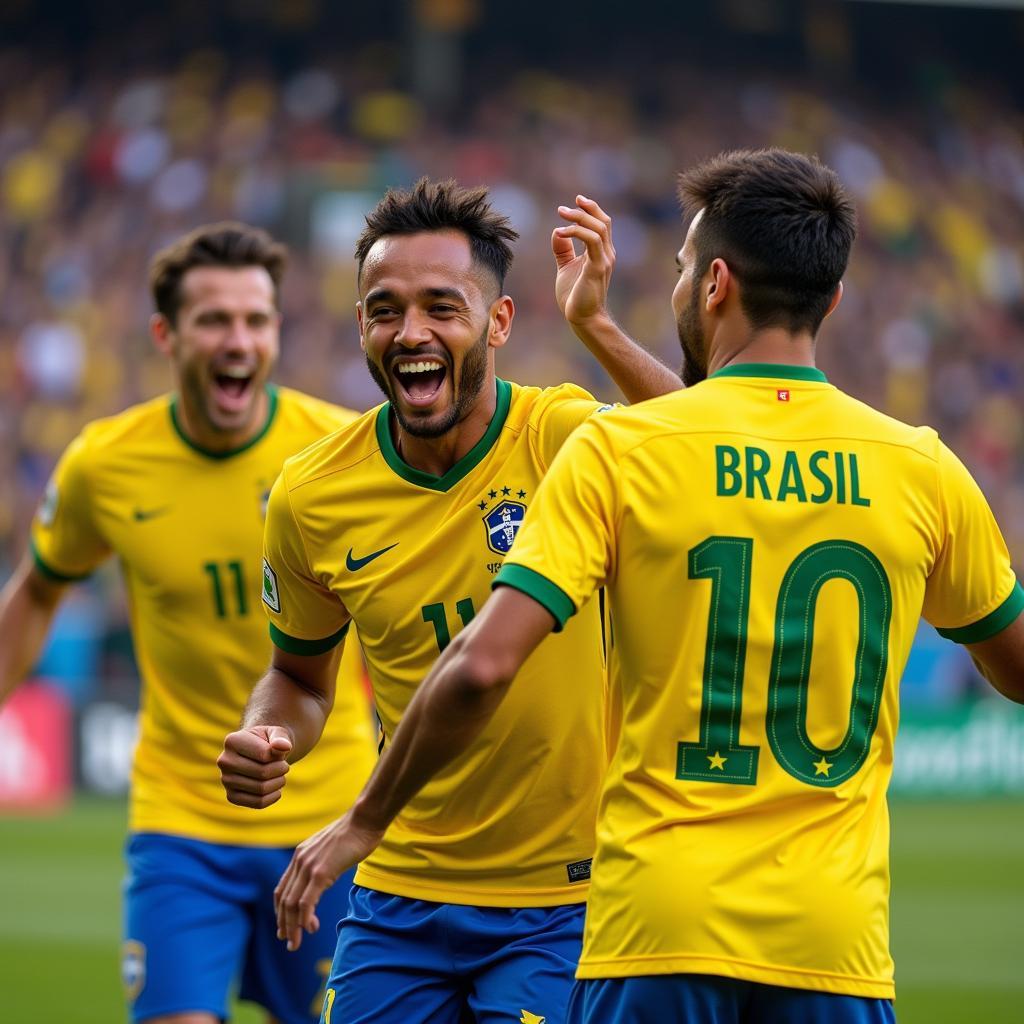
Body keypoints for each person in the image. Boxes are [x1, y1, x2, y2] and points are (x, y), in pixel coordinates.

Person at [269, 150, 1024, 1024]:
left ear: (712, 286)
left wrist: (361, 819)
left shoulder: (611, 450)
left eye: (676, 270)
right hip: (836, 938)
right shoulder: (919, 466)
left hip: (644, 918)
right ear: (834, 298)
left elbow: (485, 665)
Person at [217, 178, 682, 1024]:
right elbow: (304, 680)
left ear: (498, 324)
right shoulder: (312, 495)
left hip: (568, 898)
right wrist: (271, 729)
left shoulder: (562, 439)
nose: (411, 333)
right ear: (361, 324)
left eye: (442, 306)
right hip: (395, 893)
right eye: (384, 309)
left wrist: (596, 326)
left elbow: (708, 447)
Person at [0, 222, 378, 1024]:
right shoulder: (105, 463)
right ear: (166, 334)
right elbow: (37, 592)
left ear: (277, 330)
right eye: (215, 320)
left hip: (327, 819)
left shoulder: (340, 453)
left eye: (256, 320)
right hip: (179, 819)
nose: (238, 339)